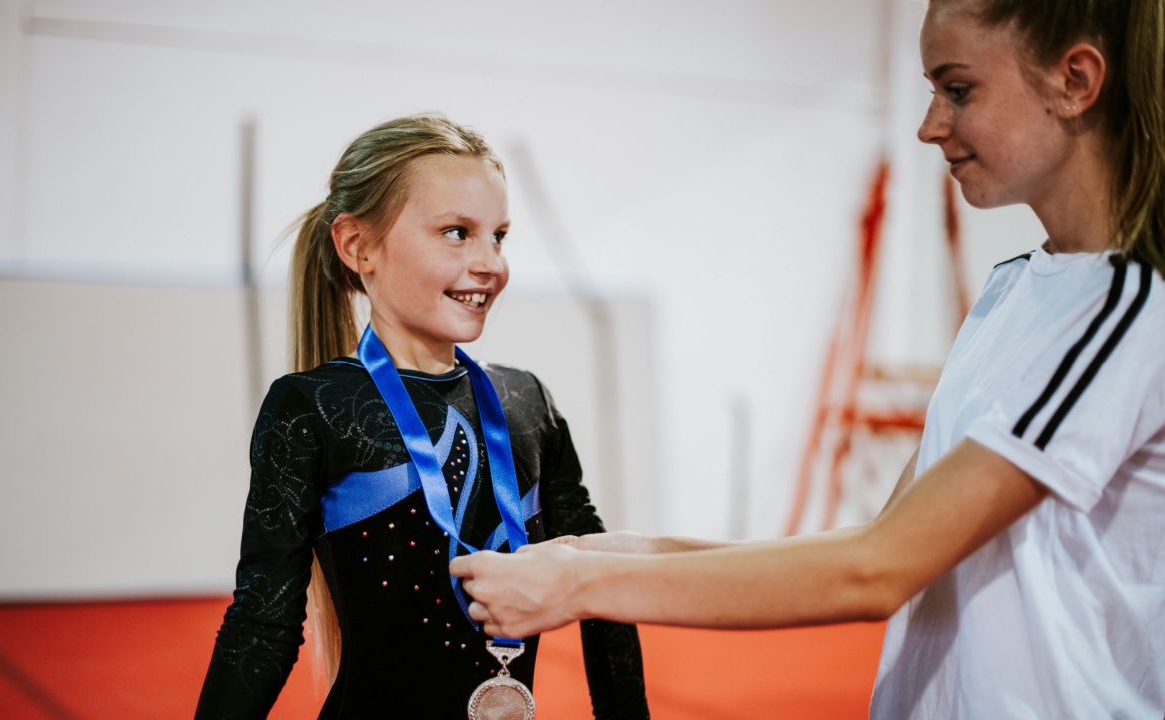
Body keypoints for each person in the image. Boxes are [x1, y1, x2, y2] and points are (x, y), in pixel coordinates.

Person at [451, 1, 1165, 717]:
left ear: (1075, 81)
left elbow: (879, 571)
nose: (928, 125)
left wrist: (576, 585)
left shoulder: (1127, 311)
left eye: (957, 89)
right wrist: (632, 551)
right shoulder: (1014, 290)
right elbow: (881, 537)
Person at [194, 115, 650, 719]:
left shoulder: (526, 402)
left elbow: (604, 590)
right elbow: (262, 624)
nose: (490, 261)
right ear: (359, 246)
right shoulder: (314, 408)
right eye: (457, 232)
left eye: (500, 235)